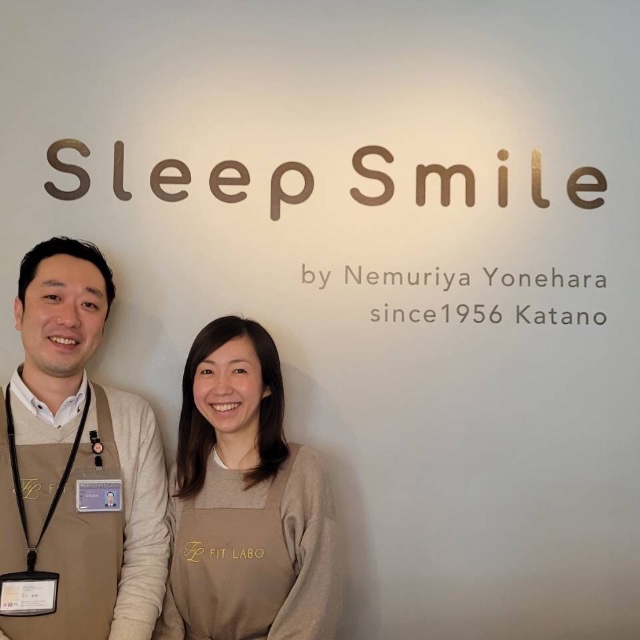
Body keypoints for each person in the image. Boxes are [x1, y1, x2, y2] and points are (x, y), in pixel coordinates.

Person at [0, 237, 169, 640]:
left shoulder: (132, 418)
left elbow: (147, 551)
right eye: (53, 297)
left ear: (104, 326)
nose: (70, 319)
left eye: (89, 304)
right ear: (19, 311)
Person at [153, 316, 341, 640]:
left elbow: (315, 599)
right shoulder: (183, 474)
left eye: (239, 370)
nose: (221, 387)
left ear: (267, 385)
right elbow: (160, 581)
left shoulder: (303, 471)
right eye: (207, 371)